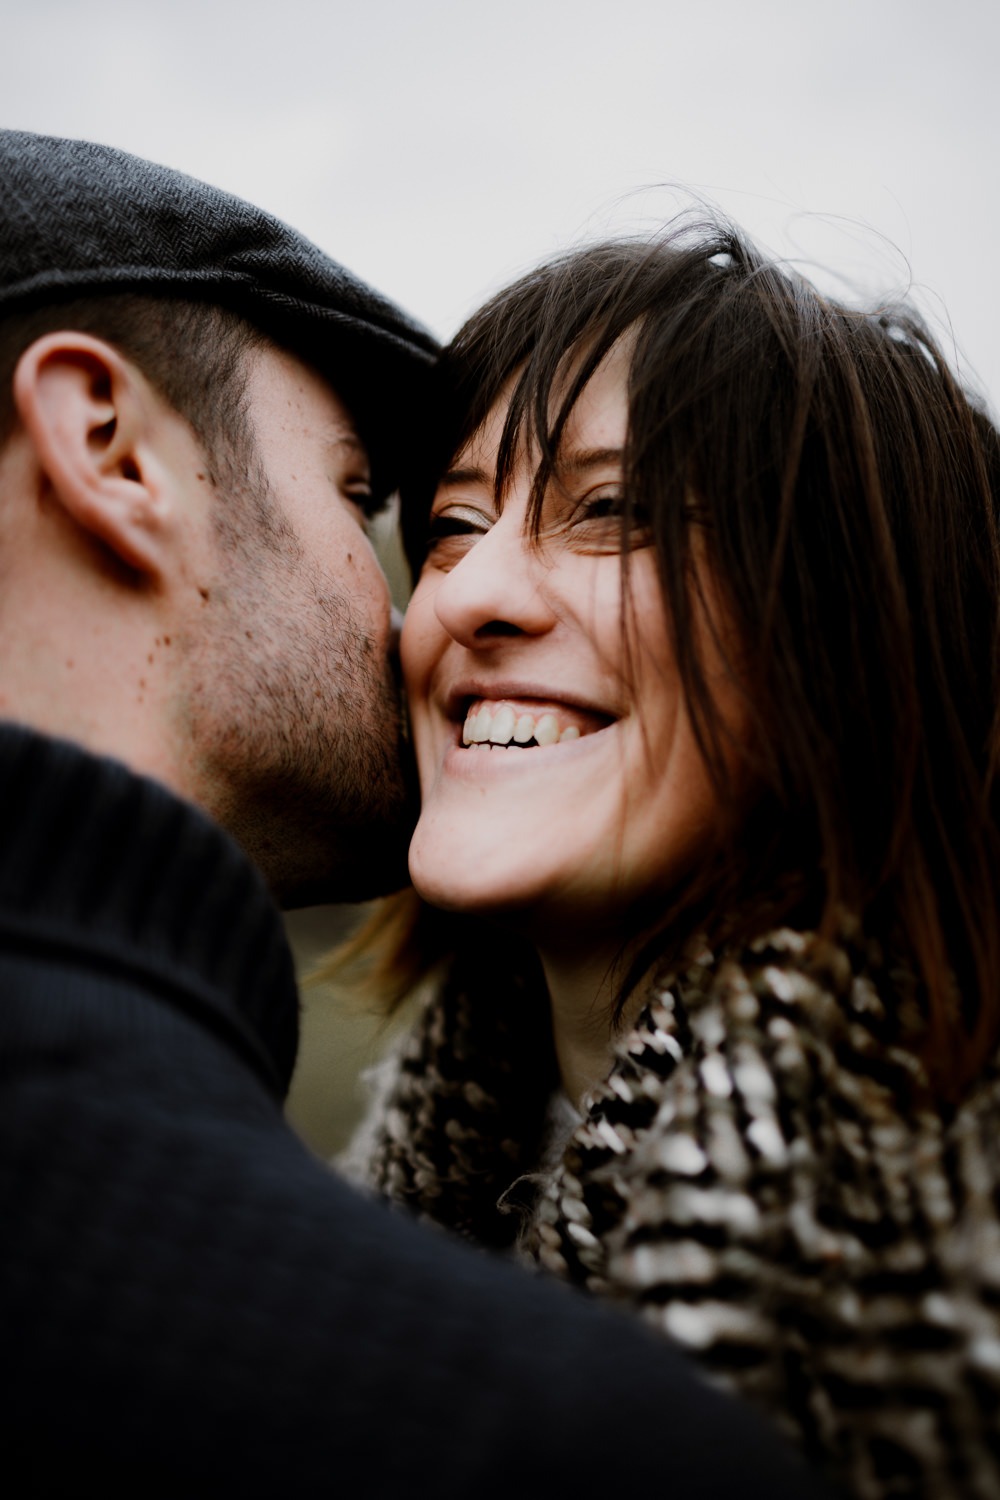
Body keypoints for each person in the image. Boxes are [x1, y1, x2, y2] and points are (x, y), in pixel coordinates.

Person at [0, 134, 834, 1498]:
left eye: (613, 510)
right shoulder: (509, 1418)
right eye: (408, 515)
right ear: (106, 448)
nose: (445, 601)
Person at [348, 225, 1000, 1500]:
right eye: (450, 524)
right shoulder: (359, 1246)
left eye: (609, 511)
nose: (473, 591)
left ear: (863, 640)